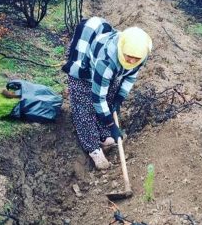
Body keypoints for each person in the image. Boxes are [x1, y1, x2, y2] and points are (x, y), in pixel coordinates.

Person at [62, 17, 152, 170]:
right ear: (122, 48)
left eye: (135, 58)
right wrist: (112, 125)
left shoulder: (139, 55)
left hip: (108, 71)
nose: (131, 61)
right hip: (84, 70)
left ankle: (104, 136)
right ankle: (93, 149)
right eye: (128, 56)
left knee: (110, 99)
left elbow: (130, 76)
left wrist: (119, 99)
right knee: (85, 107)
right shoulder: (106, 60)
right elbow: (98, 98)